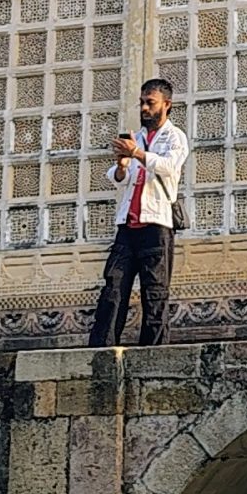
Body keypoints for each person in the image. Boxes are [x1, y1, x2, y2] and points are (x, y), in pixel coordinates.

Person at [87, 78, 190, 348]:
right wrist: (122, 165)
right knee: (113, 288)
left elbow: (169, 167)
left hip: (156, 225)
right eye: (142, 103)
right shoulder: (138, 137)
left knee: (154, 293)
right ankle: (102, 348)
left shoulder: (175, 136)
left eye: (150, 103)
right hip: (128, 225)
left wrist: (138, 154)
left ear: (166, 105)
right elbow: (120, 178)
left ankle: (153, 352)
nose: (144, 108)